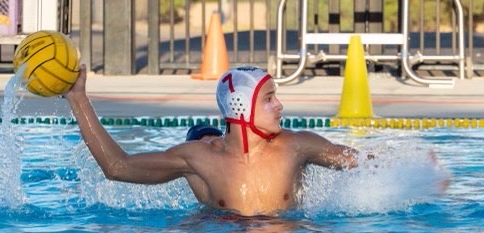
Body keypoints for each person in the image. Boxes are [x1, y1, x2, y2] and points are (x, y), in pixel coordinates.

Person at [66, 65, 362, 216]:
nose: (279, 106)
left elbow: (365, 165)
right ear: (241, 108)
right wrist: (78, 98)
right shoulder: (200, 159)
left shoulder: (298, 146)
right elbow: (118, 167)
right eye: (269, 98)